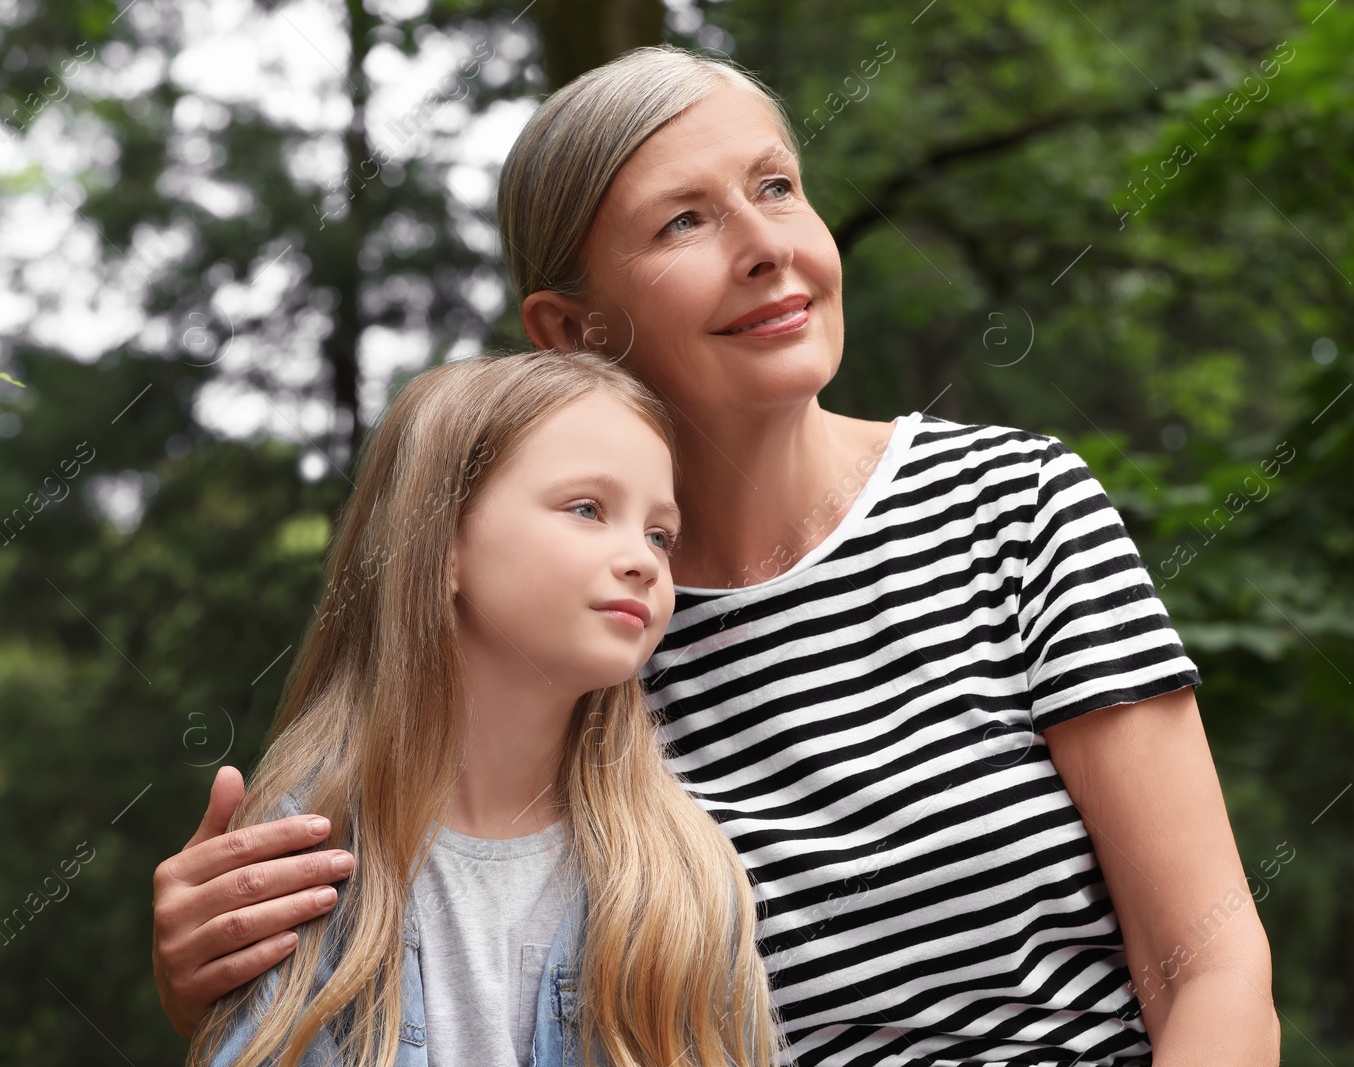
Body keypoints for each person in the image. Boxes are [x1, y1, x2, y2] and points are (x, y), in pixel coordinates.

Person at [153, 46, 1279, 1066]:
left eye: (776, 186)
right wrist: (231, 956)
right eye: (684, 221)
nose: (766, 247)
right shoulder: (570, 629)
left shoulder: (1013, 505)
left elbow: (1209, 964)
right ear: (572, 330)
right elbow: (440, 922)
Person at [186, 350, 780, 1067]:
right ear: (441, 547)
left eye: (660, 533)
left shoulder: (684, 876)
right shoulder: (308, 855)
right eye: (588, 508)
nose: (644, 560)